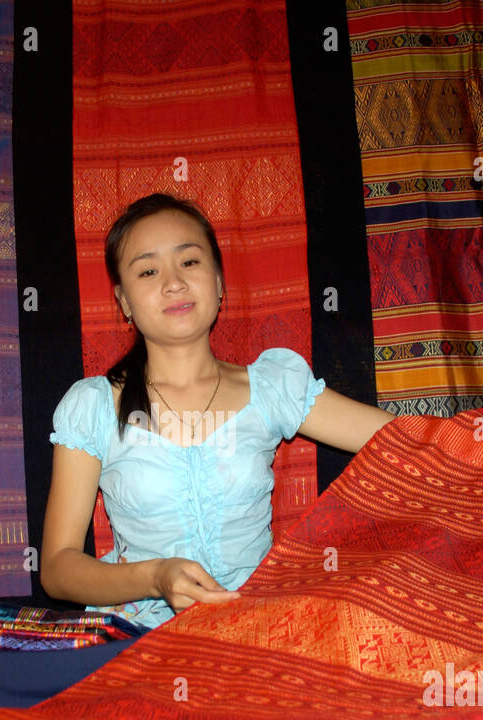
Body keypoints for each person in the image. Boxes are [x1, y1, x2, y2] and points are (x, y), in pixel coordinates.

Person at [41, 193, 395, 630]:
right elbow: (57, 568)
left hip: (263, 627)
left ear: (220, 282)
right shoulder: (93, 407)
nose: (173, 282)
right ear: (124, 301)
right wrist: (155, 577)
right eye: (148, 270)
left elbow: (411, 443)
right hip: (139, 637)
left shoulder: (272, 388)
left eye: (189, 262)